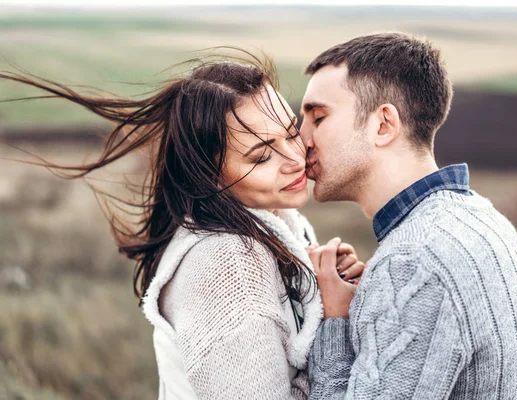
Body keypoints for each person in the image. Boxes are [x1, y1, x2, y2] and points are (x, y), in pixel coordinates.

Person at [0, 52, 365, 399]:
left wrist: (317, 278)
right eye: (261, 155)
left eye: (289, 132)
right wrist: (334, 321)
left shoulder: (279, 225)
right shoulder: (227, 265)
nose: (293, 158)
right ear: (210, 175)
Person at [300, 33, 517, 399]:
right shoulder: (479, 215)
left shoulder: (415, 260)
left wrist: (334, 321)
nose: (301, 138)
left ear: (383, 125)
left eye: (317, 118)